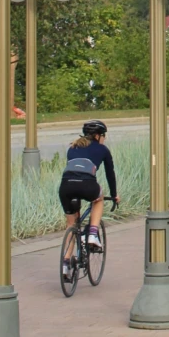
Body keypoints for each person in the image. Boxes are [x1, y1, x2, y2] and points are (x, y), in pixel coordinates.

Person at [59, 120, 119, 280]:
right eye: (103, 135)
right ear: (98, 136)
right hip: (87, 185)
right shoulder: (103, 149)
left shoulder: (73, 147)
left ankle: (65, 265)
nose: (104, 138)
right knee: (98, 199)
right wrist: (114, 195)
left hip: (66, 187)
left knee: (71, 225)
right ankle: (92, 233)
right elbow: (110, 174)